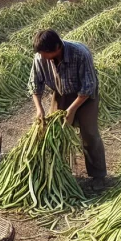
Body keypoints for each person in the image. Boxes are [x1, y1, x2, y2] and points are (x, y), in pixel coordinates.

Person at [29, 30, 106, 184]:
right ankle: (59, 172)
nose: (42, 57)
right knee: (55, 133)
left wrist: (72, 109)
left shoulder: (80, 53)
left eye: (45, 54)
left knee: (89, 134)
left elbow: (88, 86)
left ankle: (98, 176)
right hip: (60, 93)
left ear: (57, 48)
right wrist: (39, 109)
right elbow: (35, 84)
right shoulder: (40, 57)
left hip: (85, 97)